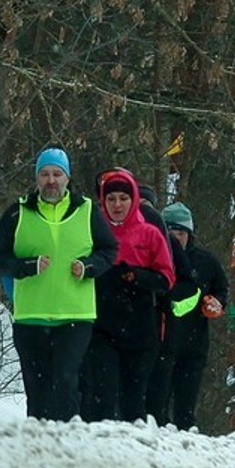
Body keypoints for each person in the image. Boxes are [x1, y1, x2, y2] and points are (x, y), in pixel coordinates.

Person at [0, 146, 118, 421]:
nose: (51, 180)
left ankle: (65, 441)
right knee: (37, 388)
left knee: (66, 380)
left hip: (75, 314)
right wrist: (24, 267)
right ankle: (37, 445)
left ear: (68, 178)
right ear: (36, 178)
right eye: (44, 174)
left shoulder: (88, 211)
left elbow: (109, 250)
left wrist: (88, 267)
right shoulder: (17, 213)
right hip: (31, 315)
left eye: (57, 173)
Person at [80, 168, 176, 422]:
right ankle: (98, 450)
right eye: (111, 199)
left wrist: (137, 276)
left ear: (134, 199)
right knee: (102, 394)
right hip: (100, 325)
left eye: (123, 198)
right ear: (102, 201)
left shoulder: (150, 234)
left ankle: (132, 452)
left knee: (133, 401)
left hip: (139, 326)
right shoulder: (90, 232)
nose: (117, 205)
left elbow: (167, 279)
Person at [146, 201, 230, 431]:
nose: (175, 238)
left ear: (189, 234)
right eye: (170, 232)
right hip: (160, 344)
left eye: (180, 232)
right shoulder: (152, 257)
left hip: (194, 345)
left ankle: (187, 448)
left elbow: (221, 289)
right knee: (155, 408)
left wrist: (216, 303)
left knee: (185, 410)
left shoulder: (206, 261)